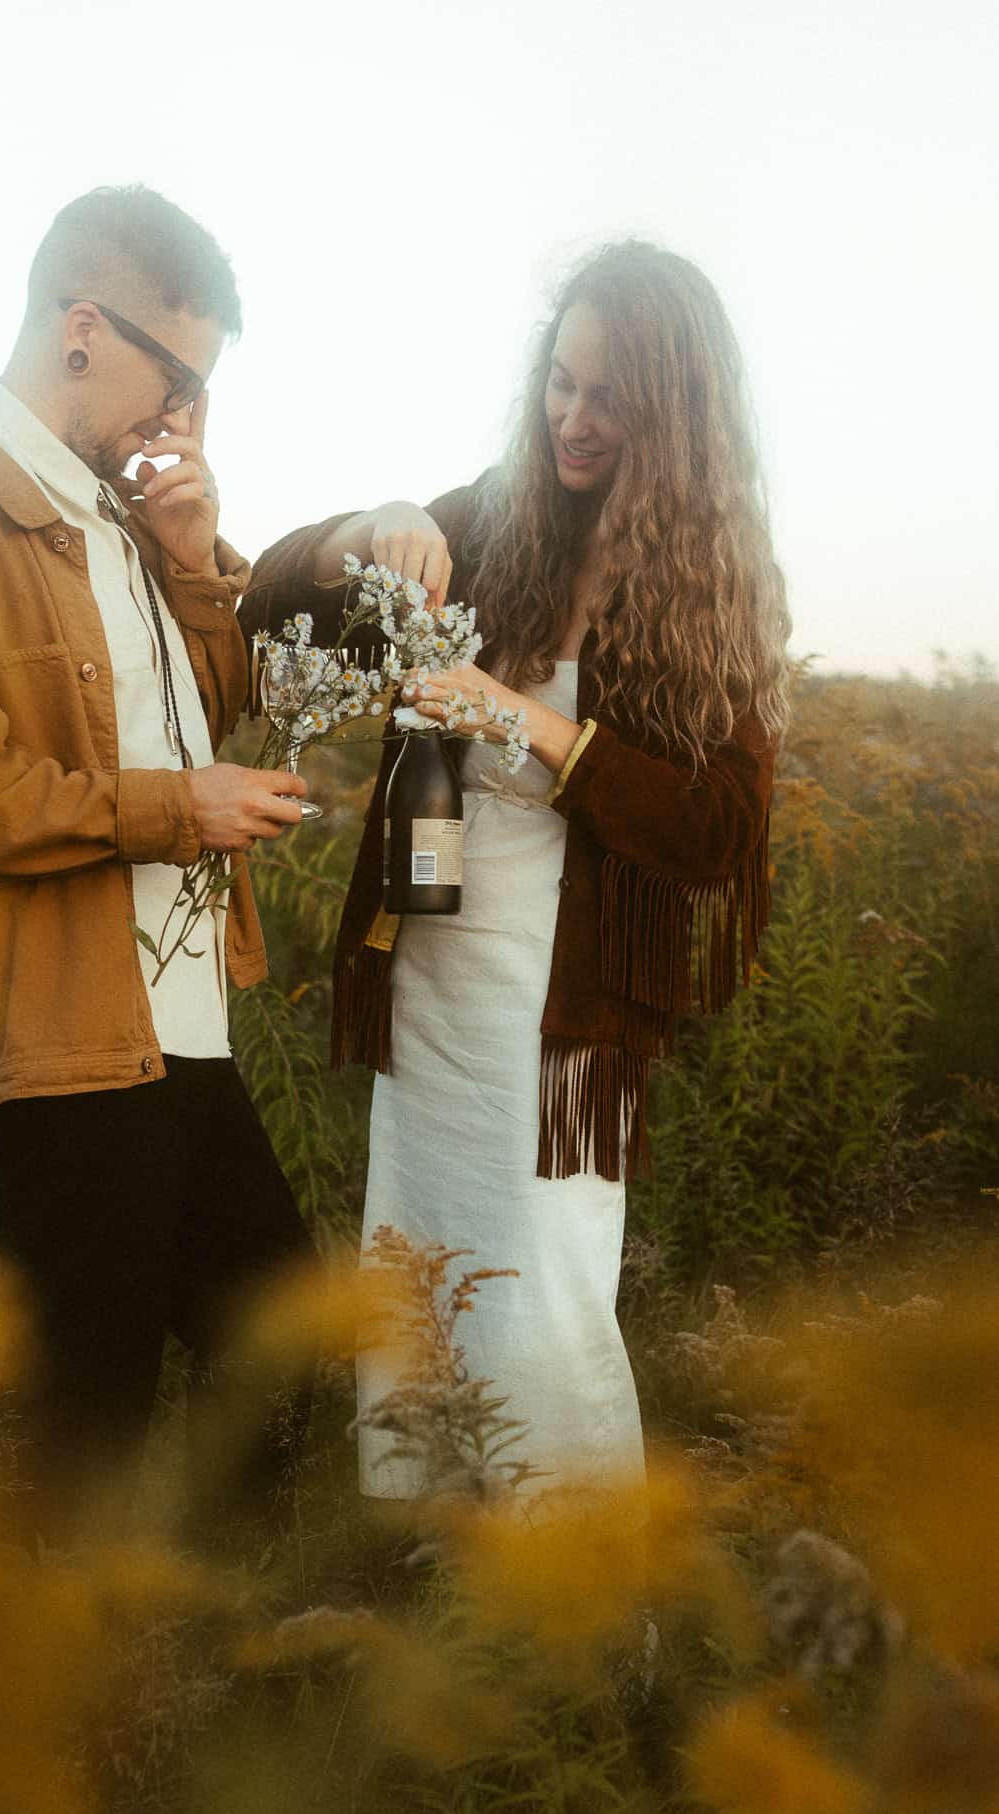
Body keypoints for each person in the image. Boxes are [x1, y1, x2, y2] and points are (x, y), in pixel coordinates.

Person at [240, 241, 791, 1507]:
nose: (573, 420)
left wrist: (523, 717)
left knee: (541, 1284)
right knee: (420, 1255)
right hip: (431, 966)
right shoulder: (494, 519)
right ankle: (427, 1544)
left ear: (676, 419)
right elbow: (272, 605)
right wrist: (369, 528)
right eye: (560, 382)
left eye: (609, 399)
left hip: (562, 1008)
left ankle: (573, 1584)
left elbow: (716, 830)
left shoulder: (712, 591)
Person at [0, 186, 314, 1546]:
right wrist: (176, 811)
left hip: (175, 1022)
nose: (186, 422)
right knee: (85, 1415)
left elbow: (207, 721)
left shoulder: (116, 523)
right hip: (55, 1030)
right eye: (181, 382)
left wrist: (196, 567)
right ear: (83, 328)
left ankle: (214, 1668)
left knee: (270, 1339)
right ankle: (63, 1718)